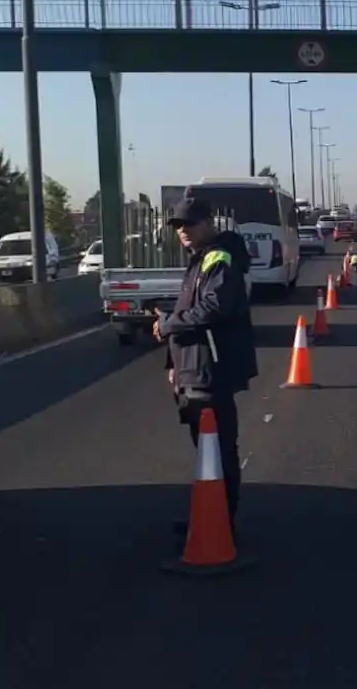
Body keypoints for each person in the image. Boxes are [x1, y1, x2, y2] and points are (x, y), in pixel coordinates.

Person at [154, 196, 259, 541]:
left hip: (210, 371)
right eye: (178, 226)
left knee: (218, 449)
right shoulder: (200, 260)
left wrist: (169, 325)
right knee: (206, 450)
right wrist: (174, 362)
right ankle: (208, 512)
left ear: (208, 223)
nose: (183, 231)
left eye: (189, 224)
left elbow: (213, 309)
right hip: (194, 369)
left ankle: (220, 520)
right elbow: (192, 308)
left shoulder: (218, 260)